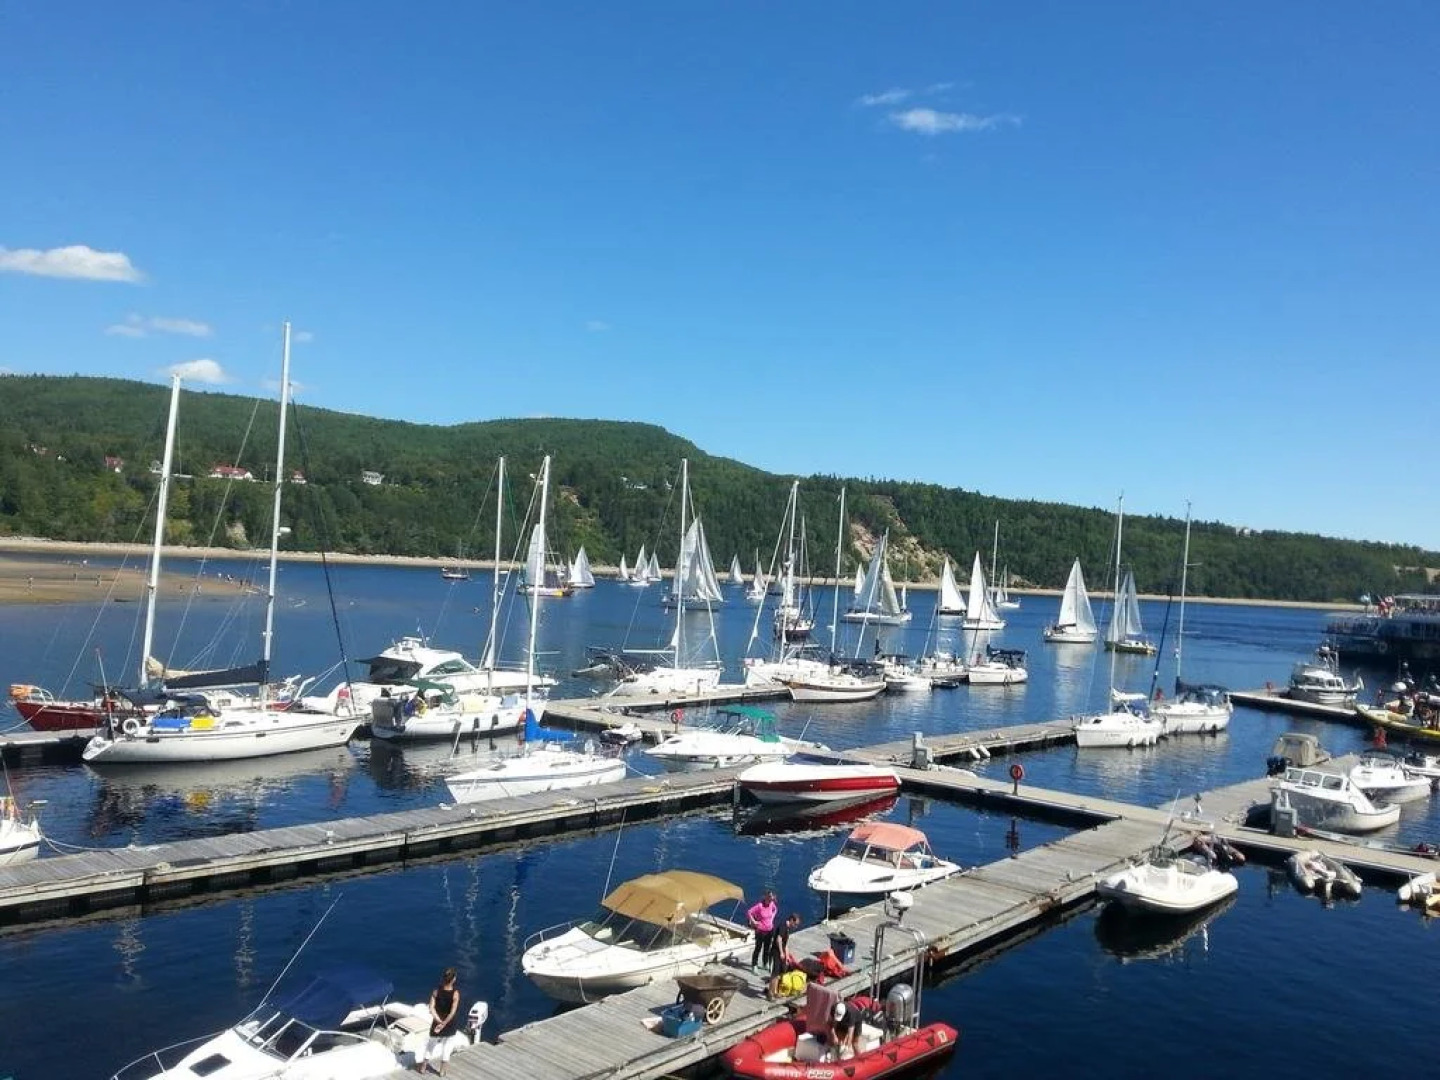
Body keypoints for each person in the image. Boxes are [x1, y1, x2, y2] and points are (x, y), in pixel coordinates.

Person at [415, 967, 460, 1076]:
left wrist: (438, 1021)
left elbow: (431, 1008)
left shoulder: (436, 992)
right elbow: (452, 1012)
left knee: (431, 1045)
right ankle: (442, 1071)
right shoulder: (455, 994)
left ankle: (423, 1067)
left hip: (437, 1023)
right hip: (450, 1024)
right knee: (447, 1047)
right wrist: (444, 1023)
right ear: (453, 979)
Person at [766, 913, 802, 998]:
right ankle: (770, 993)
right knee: (775, 973)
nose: (796, 927)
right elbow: (779, 939)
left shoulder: (788, 929)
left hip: (781, 952)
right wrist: (781, 952)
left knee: (779, 972)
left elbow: (785, 944)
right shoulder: (783, 926)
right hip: (776, 952)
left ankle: (775, 991)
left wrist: (787, 956)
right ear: (791, 920)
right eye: (795, 924)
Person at [746, 889, 777, 972]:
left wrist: (772, 919)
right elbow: (749, 912)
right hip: (761, 931)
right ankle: (754, 965)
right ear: (766, 898)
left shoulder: (772, 904)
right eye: (770, 899)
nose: (771, 901)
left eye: (772, 899)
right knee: (758, 948)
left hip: (770, 930)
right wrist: (754, 922)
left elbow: (775, 910)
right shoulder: (760, 906)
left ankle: (765, 964)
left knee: (767, 948)